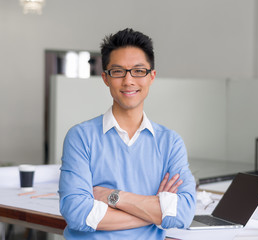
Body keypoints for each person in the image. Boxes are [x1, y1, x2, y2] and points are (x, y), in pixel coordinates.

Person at [59, 28, 196, 240]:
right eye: (118, 71)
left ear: (152, 77)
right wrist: (156, 211)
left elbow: (184, 214)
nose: (128, 80)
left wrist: (114, 197)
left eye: (139, 71)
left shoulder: (170, 142)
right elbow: (78, 213)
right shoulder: (80, 137)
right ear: (105, 78)